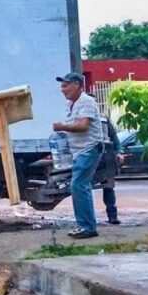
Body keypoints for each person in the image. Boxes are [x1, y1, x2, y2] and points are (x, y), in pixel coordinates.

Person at [52, 72, 104, 239]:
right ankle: (86, 225)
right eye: (62, 86)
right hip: (79, 151)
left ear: (76, 85)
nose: (62, 89)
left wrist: (62, 127)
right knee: (80, 186)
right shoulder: (71, 104)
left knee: (78, 186)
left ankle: (87, 227)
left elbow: (83, 126)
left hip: (89, 149)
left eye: (65, 85)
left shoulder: (86, 102)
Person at [101, 116, 122, 225]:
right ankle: (86, 219)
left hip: (106, 154)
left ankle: (112, 216)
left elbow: (113, 137)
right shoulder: (78, 116)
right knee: (84, 189)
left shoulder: (103, 119)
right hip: (91, 154)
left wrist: (118, 152)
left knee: (108, 187)